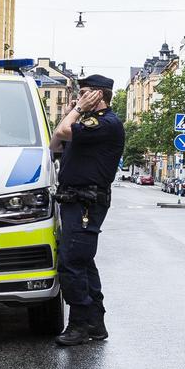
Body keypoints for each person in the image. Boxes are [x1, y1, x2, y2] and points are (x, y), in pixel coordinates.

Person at [49, 74, 126, 346]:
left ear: (97, 95)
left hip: (86, 202)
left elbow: (62, 133)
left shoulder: (106, 123)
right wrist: (75, 110)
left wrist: (78, 111)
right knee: (83, 262)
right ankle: (95, 322)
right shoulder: (85, 122)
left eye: (82, 93)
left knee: (71, 263)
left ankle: (79, 325)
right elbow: (54, 144)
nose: (77, 98)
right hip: (75, 200)